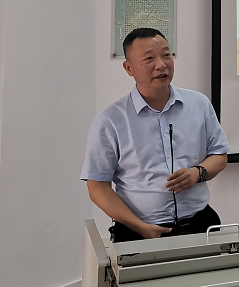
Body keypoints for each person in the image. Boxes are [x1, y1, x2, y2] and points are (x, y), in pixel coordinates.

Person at [81, 27, 229, 242]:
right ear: (129, 68)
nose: (161, 65)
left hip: (200, 224)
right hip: (138, 230)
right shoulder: (110, 121)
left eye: (166, 55)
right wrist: (140, 227)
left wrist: (198, 173)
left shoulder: (199, 104)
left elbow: (220, 155)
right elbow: (97, 187)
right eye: (149, 58)